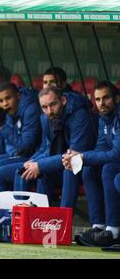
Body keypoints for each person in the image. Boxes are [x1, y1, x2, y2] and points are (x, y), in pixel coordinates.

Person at [14, 86, 96, 208]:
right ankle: (38, 218)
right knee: (26, 170)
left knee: (69, 169)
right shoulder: (46, 118)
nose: (49, 111)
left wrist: (40, 165)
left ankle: (63, 220)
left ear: (63, 100)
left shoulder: (79, 114)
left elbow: (74, 156)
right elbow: (47, 148)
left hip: (87, 164)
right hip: (62, 163)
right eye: (44, 107)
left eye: (52, 105)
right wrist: (34, 161)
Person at [62, 81, 120, 247]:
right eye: (98, 99)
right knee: (88, 169)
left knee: (108, 169)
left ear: (116, 98)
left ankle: (113, 230)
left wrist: (82, 156)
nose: (102, 103)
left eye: (106, 98)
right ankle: (98, 226)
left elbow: (116, 154)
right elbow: (101, 148)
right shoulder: (103, 119)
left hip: (116, 163)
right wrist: (78, 157)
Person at [0, 82, 41, 192]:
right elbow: (9, 145)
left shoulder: (30, 110)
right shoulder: (8, 111)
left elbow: (25, 145)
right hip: (18, 154)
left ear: (18, 96)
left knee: (0, 171)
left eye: (8, 98)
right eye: (1, 101)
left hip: (34, 156)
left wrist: (2, 126)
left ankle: (1, 206)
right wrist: (13, 154)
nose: (5, 103)